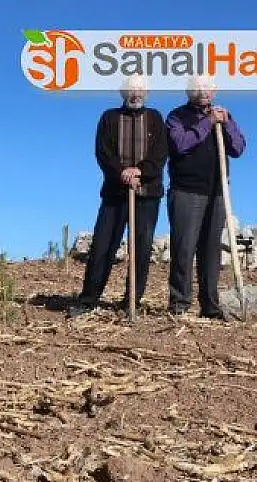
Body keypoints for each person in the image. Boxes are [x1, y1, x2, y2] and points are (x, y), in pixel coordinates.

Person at [69, 75, 168, 318]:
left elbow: (160, 153)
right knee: (103, 245)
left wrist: (141, 170)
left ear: (146, 93)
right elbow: (103, 151)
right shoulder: (109, 117)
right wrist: (121, 172)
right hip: (115, 193)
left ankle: (131, 301)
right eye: (131, 91)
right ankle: (88, 300)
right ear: (122, 93)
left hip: (146, 195)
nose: (136, 95)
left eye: (140, 91)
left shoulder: (155, 118)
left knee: (141, 248)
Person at [164, 75, 247, 319]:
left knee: (211, 251)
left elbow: (239, 148)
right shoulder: (176, 117)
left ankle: (210, 306)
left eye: (207, 88)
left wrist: (226, 123)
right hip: (186, 191)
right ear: (188, 91)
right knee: (184, 248)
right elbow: (181, 144)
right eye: (197, 88)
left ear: (215, 90)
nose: (203, 92)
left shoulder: (224, 116)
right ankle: (179, 304)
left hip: (217, 192)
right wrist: (208, 123)